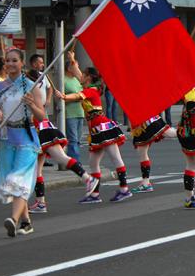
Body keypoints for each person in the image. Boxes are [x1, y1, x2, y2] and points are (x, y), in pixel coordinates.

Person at [0, 48, 45, 237]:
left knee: (19, 180)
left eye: (14, 60)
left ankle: (13, 220)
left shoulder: (32, 86)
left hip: (26, 138)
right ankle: (26, 221)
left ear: (22, 63)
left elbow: (41, 116)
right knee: (10, 180)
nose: (10, 64)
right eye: (7, 61)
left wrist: (32, 105)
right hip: (7, 139)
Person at [25, 61, 98, 213]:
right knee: (37, 171)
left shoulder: (33, 91)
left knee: (61, 158)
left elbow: (38, 112)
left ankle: (88, 179)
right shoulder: (36, 89)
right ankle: (40, 203)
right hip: (39, 130)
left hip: (43, 130)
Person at [55, 67, 130, 203]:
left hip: (102, 127)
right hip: (95, 130)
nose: (80, 76)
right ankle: (95, 194)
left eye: (83, 75)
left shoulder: (91, 90)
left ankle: (124, 189)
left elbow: (78, 96)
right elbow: (79, 77)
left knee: (115, 158)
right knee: (93, 162)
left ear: (88, 77)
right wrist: (73, 62)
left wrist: (65, 97)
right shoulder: (91, 87)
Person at [130, 114, 177, 193]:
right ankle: (146, 183)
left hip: (146, 120)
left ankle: (146, 184)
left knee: (171, 133)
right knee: (141, 151)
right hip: (141, 121)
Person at [63, 54, 85, 161]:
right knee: (73, 139)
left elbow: (83, 90)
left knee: (78, 140)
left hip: (80, 112)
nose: (77, 68)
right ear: (69, 68)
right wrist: (76, 97)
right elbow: (62, 98)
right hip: (70, 113)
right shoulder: (63, 80)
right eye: (75, 66)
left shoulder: (77, 79)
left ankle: (74, 160)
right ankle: (75, 162)